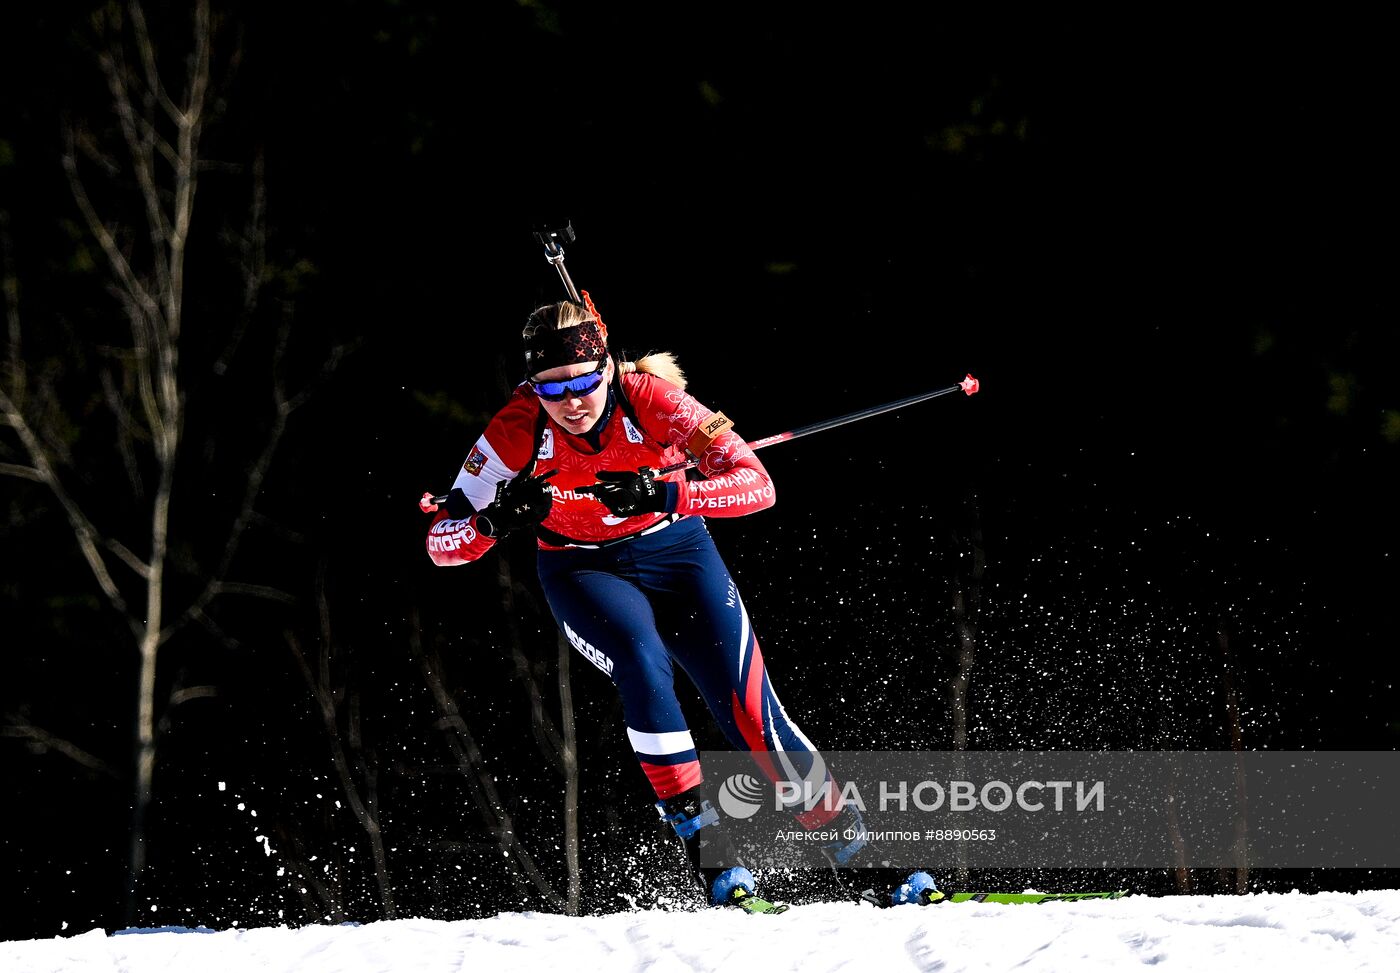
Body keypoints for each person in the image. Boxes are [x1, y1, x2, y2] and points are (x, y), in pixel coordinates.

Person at [422, 294, 937, 911]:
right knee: (643, 665)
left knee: (751, 713)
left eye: (583, 380)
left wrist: (670, 493)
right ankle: (712, 854)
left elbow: (756, 485)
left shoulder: (654, 401)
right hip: (583, 568)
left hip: (678, 552)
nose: (571, 402)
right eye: (551, 388)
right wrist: (495, 521)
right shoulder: (515, 430)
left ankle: (863, 856)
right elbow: (440, 544)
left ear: (608, 367)